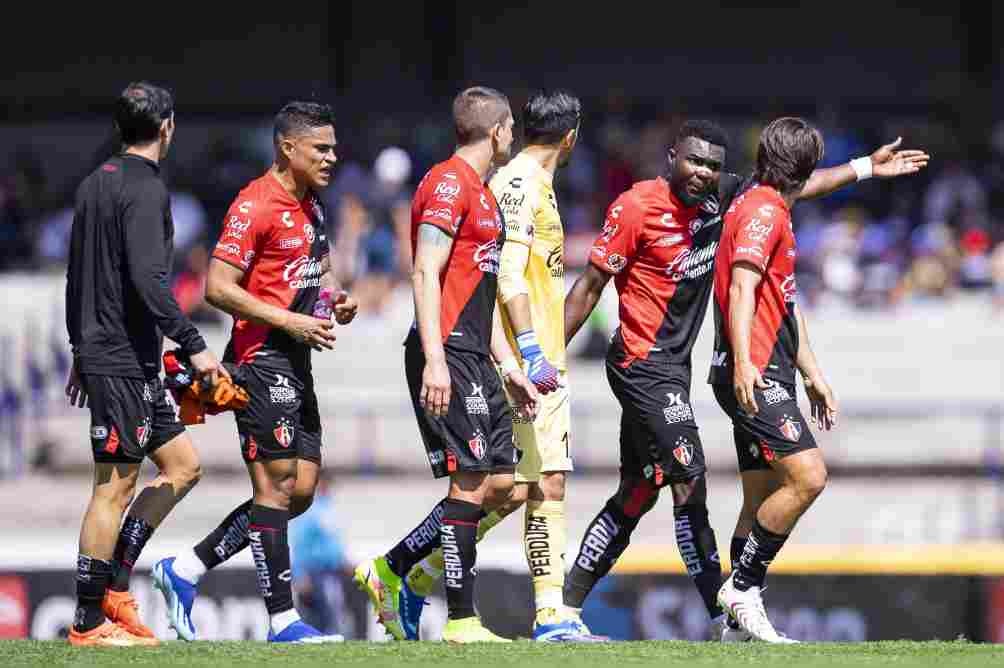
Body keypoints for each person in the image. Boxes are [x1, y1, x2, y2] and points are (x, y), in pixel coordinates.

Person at [559, 120, 929, 641]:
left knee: (640, 490)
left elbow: (796, 187)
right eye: (693, 161)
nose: (703, 173)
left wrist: (866, 167)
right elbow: (590, 285)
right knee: (690, 479)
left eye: (712, 165)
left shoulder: (727, 199)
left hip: (677, 368)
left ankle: (565, 606)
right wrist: (545, 358)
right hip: (640, 364)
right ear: (671, 157)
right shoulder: (637, 206)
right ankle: (725, 608)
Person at [152, 101, 358, 644]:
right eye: (322, 148)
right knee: (276, 486)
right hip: (261, 358)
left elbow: (317, 267)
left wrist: (333, 299)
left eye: (334, 147)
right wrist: (290, 318)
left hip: (298, 357)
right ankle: (282, 622)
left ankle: (187, 569)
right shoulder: (254, 204)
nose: (333, 157)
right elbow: (217, 286)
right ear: (288, 148)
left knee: (303, 489)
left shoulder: (312, 204)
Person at [401, 89, 603, 642]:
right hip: (489, 353)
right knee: (524, 484)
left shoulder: (500, 190)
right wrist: (523, 354)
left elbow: (488, 280)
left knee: (509, 487)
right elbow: (481, 276)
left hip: (502, 353)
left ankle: (408, 572)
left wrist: (515, 358)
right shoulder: (502, 185)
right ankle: (533, 614)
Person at [352, 86, 539, 644]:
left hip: (476, 353)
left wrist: (507, 362)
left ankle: (394, 570)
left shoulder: (480, 194)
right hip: (446, 351)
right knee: (473, 480)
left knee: (509, 485)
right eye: (511, 128)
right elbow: (424, 272)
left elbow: (476, 289)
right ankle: (461, 620)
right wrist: (435, 358)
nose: (514, 136)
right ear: (498, 129)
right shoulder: (446, 182)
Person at [64, 81, 226, 647]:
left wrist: (78, 350)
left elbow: (75, 276)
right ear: (168, 128)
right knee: (114, 485)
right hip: (122, 359)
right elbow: (148, 279)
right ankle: (88, 620)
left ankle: (114, 584)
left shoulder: (91, 185)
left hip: (119, 355)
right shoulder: (149, 190)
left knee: (182, 465)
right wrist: (193, 342)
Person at [709, 117, 830, 642]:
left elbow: (783, 300)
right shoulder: (762, 212)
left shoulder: (764, 204)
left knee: (757, 499)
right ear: (802, 170)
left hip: (765, 367)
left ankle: (735, 629)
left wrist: (813, 373)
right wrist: (743, 362)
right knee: (808, 477)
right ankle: (742, 588)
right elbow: (742, 287)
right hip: (755, 371)